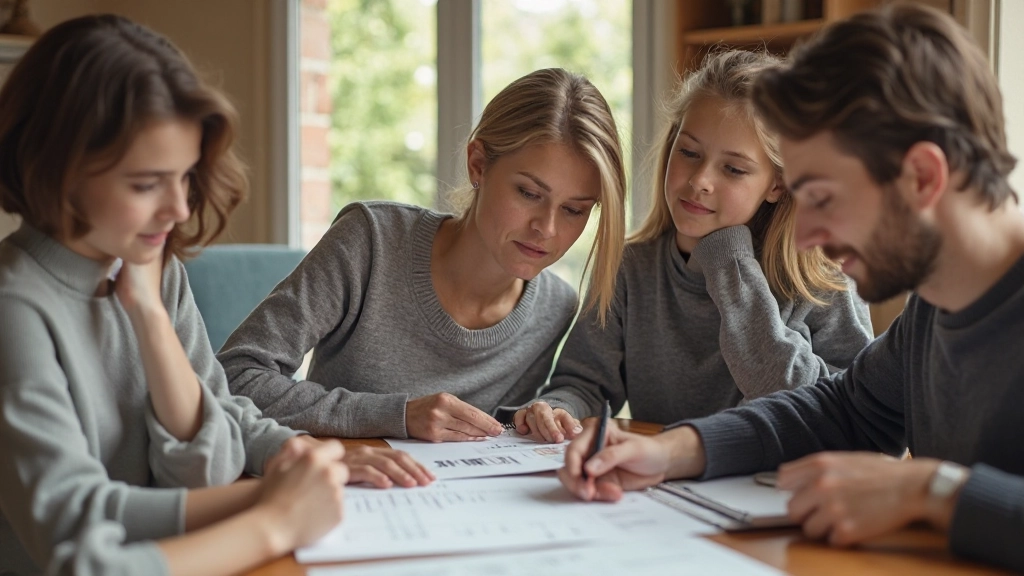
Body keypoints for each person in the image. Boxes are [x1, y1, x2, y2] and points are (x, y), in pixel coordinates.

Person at [558, 4, 1024, 572]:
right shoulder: (933, 310)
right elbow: (843, 411)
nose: (806, 235)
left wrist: (933, 491)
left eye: (823, 197)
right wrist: (672, 450)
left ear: (923, 177)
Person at [0, 15, 351, 576]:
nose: (179, 209)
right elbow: (79, 543)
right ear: (56, 167)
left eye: (185, 176)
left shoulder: (149, 268)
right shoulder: (15, 308)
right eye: (146, 184)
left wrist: (152, 319)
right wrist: (275, 515)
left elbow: (210, 464)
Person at [218, 69, 627, 453]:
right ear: (478, 165)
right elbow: (235, 376)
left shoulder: (555, 307)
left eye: (574, 210)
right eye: (529, 193)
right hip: (338, 491)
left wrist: (551, 410)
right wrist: (397, 416)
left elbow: (568, 397)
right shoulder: (370, 241)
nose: (547, 229)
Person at [513, 50, 872, 443]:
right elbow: (585, 383)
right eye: (688, 152)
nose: (700, 179)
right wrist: (557, 408)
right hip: (662, 475)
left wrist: (728, 261)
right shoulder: (631, 267)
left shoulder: (823, 280)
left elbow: (852, 420)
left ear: (777, 184)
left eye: (733, 169)